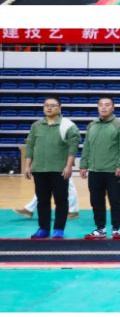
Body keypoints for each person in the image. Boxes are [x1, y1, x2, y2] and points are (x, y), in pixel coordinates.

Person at [23, 96, 80, 240]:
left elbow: (73, 148)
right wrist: (28, 165)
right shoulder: (36, 125)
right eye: (46, 105)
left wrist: (68, 166)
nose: (49, 108)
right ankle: (43, 228)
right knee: (42, 201)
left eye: (53, 105)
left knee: (61, 200)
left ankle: (59, 229)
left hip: (59, 169)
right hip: (39, 169)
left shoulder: (68, 126)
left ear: (59, 108)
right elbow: (30, 146)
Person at [79, 95, 120, 240]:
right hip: (95, 170)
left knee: (115, 201)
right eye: (101, 104)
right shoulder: (92, 125)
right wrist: (83, 165)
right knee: (96, 201)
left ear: (113, 108)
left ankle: (116, 229)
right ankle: (100, 229)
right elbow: (87, 146)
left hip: (113, 171)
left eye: (107, 104)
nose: (103, 107)